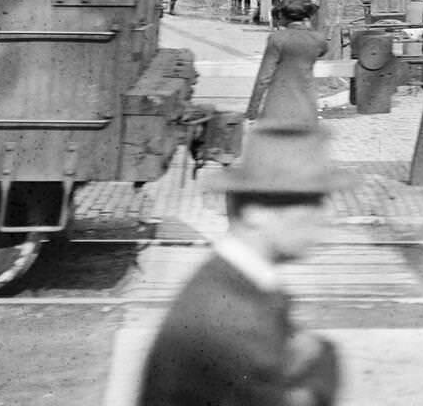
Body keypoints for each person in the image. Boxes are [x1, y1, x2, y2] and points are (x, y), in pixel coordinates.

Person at [136, 123, 342, 406]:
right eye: (312, 201)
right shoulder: (234, 319)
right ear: (256, 213)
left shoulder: (230, 282)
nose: (327, 216)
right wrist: (322, 370)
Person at [245, 0, 328, 125]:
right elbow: (322, 51)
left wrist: (252, 111)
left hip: (278, 103)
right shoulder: (318, 39)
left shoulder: (277, 39)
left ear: (284, 17)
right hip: (307, 104)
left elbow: (264, 78)